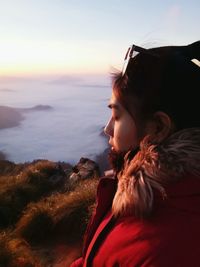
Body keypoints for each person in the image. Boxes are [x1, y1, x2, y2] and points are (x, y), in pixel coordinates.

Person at [70, 40, 200, 267]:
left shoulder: (167, 249)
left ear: (158, 128)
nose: (107, 129)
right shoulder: (143, 194)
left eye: (117, 116)